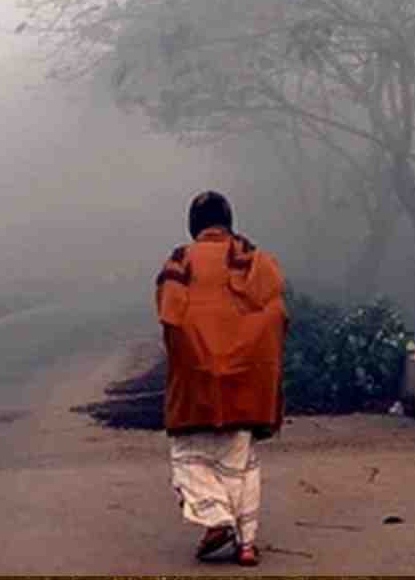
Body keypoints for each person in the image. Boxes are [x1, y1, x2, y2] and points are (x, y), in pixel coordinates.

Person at [154, 191, 287, 567]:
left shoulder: (181, 261)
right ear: (229, 221)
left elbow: (171, 318)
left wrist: (198, 360)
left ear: (194, 225)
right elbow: (276, 316)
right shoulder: (255, 259)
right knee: (241, 464)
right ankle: (246, 545)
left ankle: (217, 520)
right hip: (247, 381)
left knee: (188, 458)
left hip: (197, 380)